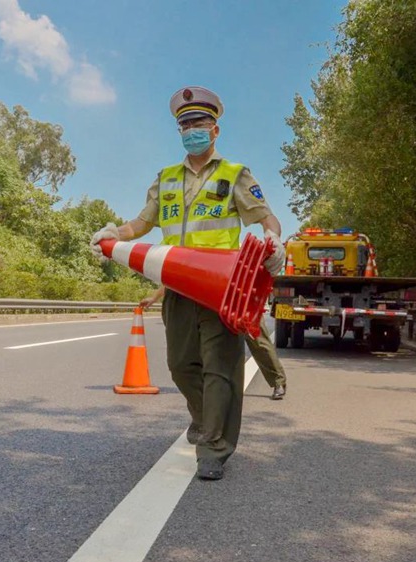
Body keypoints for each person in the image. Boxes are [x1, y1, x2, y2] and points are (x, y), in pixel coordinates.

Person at [90, 86, 285, 481]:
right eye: (185, 125)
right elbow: (142, 224)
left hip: (221, 288)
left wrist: (273, 240)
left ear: (215, 130)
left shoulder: (235, 175)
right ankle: (205, 418)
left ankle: (213, 447)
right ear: (179, 132)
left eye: (200, 123)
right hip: (177, 285)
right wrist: (114, 235)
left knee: (220, 369)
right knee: (180, 367)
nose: (192, 130)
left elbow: (266, 217)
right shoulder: (166, 179)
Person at [140, 286, 287, 400]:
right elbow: (175, 275)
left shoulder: (237, 248)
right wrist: (155, 297)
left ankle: (278, 381)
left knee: (257, 340)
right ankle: (212, 394)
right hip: (216, 298)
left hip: (241, 293)